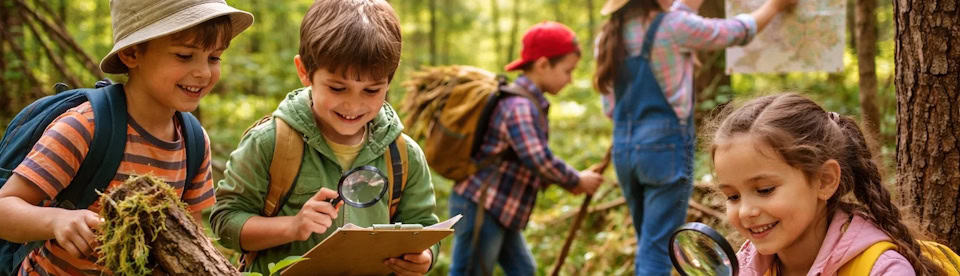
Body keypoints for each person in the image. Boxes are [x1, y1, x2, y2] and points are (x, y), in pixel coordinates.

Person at [0, 0, 253, 274]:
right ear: (132, 54)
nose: (204, 72)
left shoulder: (193, 141)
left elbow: (189, 238)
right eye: (184, 55)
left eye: (214, 58)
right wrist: (55, 220)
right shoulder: (85, 127)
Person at [209, 0, 440, 275]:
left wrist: (424, 256)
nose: (353, 106)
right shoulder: (270, 142)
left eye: (371, 91)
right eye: (337, 88)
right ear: (304, 71)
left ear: (389, 82)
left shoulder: (403, 154)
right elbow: (225, 224)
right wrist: (293, 227)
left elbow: (424, 225)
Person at [593, 0, 796, 274]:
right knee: (658, 249)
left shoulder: (609, 34)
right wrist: (774, 7)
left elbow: (610, 109)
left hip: (625, 149)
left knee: (648, 244)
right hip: (664, 148)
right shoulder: (674, 26)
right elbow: (736, 31)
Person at [710, 93, 943, 275]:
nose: (746, 211)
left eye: (765, 190)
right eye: (733, 196)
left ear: (825, 180)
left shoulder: (882, 269)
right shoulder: (744, 266)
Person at [447, 21, 605, 276]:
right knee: (470, 272)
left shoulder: (529, 103)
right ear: (543, 64)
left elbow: (527, 158)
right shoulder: (520, 106)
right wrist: (576, 179)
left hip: (502, 208)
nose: (570, 79)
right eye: (567, 71)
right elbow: (537, 158)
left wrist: (575, 181)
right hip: (482, 206)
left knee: (524, 270)